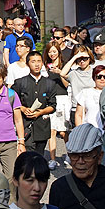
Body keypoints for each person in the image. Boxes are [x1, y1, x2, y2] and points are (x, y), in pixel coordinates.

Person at [48, 124, 105, 209]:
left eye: (87, 156)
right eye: (74, 155)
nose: (80, 161)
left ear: (100, 157)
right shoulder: (59, 188)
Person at [13, 51, 57, 158]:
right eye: (33, 62)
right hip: (26, 124)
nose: (36, 64)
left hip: (42, 125)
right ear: (28, 64)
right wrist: (23, 109)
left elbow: (53, 105)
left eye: (39, 61)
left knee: (39, 155)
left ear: (42, 63)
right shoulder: (20, 83)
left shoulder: (49, 83)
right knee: (27, 156)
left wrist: (41, 112)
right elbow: (12, 101)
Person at [42, 41, 70, 169]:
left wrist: (60, 73)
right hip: (51, 100)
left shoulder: (64, 65)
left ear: (59, 51)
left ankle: (69, 154)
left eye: (54, 51)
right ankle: (52, 159)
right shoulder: (45, 66)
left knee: (64, 131)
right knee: (51, 131)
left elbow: (67, 85)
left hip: (63, 99)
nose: (52, 54)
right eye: (50, 51)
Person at [61, 46, 95, 114]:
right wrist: (75, 57)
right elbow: (62, 73)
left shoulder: (95, 72)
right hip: (76, 109)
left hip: (92, 109)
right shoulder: (74, 73)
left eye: (85, 58)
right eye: (79, 59)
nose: (82, 61)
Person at [74, 65, 105, 130]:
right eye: (99, 77)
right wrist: (79, 131)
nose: (102, 79)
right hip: (88, 131)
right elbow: (78, 115)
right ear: (94, 78)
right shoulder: (85, 92)